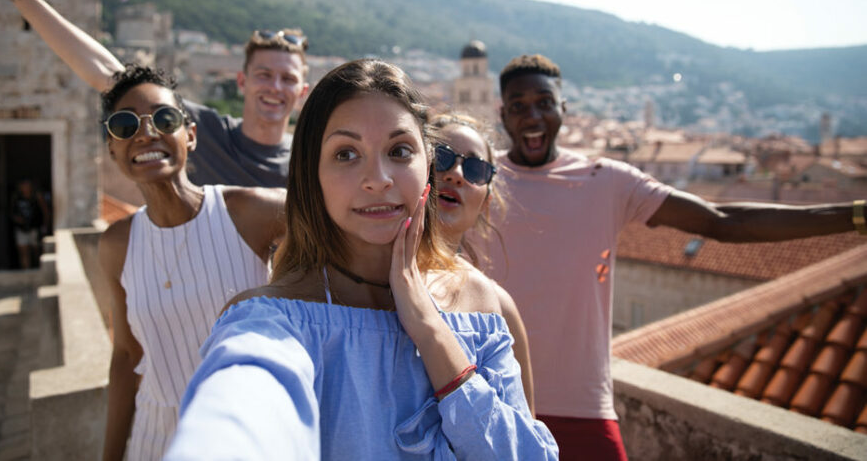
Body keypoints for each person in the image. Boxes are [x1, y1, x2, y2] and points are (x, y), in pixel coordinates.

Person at [164, 59, 558, 460]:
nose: (378, 178)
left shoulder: (479, 303)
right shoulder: (270, 321)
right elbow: (240, 411)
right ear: (311, 176)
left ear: (427, 168)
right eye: (346, 154)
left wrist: (431, 331)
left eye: (400, 150)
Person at [481, 53, 865, 460]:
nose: (533, 116)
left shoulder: (605, 180)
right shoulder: (478, 180)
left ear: (564, 108)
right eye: (519, 106)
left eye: (544, 103)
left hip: (583, 405)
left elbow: (721, 221)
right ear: (503, 113)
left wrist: (853, 216)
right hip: (495, 400)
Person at [0, 0, 309, 187]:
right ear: (242, 81)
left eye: (288, 78)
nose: (275, 87)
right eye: (264, 74)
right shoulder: (205, 133)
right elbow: (108, 74)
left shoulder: (311, 163)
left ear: (303, 91)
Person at [95, 65, 284, 460]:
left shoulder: (250, 213)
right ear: (113, 149)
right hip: (154, 438)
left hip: (246, 433)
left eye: (164, 119)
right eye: (125, 125)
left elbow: (339, 219)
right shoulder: (117, 244)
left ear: (191, 135)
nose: (146, 133)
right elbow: (127, 356)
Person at [430, 112, 535, 415]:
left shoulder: (500, 308)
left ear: (486, 203)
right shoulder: (363, 280)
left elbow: (525, 438)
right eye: (441, 157)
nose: (456, 174)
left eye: (476, 169)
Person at [9, 178, 48, 269]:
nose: (25, 187)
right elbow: (11, 212)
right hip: (21, 228)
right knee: (23, 252)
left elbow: (45, 211)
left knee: (36, 251)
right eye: (23, 185)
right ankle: (26, 272)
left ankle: (37, 269)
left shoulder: (36, 197)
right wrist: (16, 219)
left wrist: (45, 226)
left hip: (34, 228)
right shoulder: (16, 197)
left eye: (27, 185)